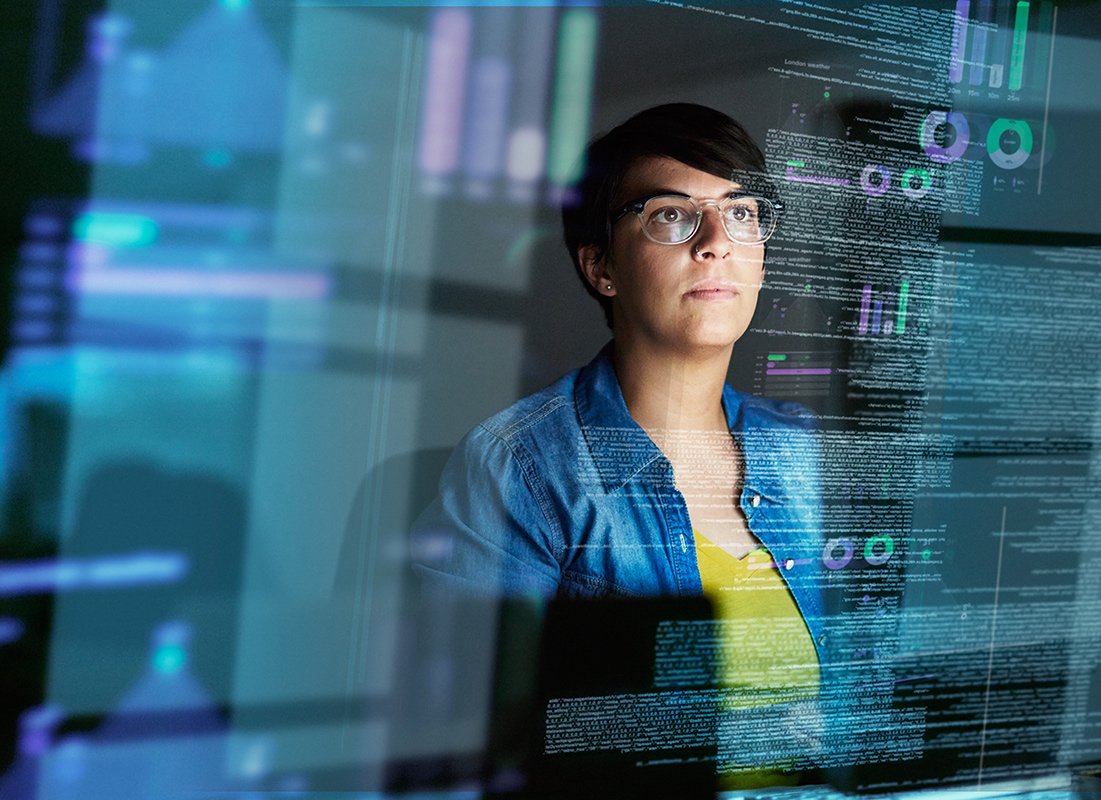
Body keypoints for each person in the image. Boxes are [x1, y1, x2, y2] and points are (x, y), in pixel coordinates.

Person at [410, 103, 825, 784]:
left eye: (743, 211)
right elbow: (458, 736)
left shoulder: (807, 452)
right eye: (670, 213)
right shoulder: (523, 465)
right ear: (600, 267)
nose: (717, 240)